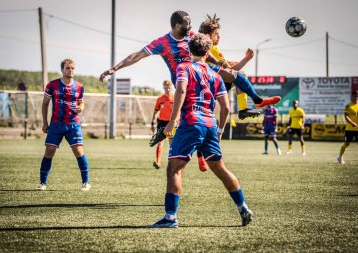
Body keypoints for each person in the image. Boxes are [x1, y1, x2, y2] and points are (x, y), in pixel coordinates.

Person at [99, 10, 280, 171]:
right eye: (187, 23)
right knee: (193, 120)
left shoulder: (192, 35)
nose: (191, 26)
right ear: (177, 25)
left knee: (237, 75)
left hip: (202, 73)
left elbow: (206, 52)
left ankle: (256, 100)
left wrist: (219, 63)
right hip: (185, 82)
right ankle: (174, 131)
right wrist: (114, 68)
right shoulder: (163, 42)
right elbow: (136, 55)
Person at [147, 33, 253, 228]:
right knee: (220, 168)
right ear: (207, 52)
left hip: (190, 123)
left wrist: (172, 121)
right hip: (210, 124)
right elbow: (226, 107)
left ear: (189, 50)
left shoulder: (184, 67)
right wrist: (219, 131)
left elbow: (181, 91)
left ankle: (170, 219)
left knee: (173, 169)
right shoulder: (216, 74)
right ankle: (243, 207)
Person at [37, 59, 91, 191]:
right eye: (67, 68)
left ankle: (86, 182)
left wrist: (81, 108)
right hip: (56, 124)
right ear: (62, 70)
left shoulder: (79, 86)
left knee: (78, 151)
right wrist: (45, 123)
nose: (70, 70)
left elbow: (81, 102)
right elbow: (45, 104)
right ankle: (42, 183)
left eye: (72, 68)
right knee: (49, 151)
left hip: (73, 124)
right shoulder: (52, 85)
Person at [198, 14, 260, 120]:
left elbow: (225, 67)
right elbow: (232, 72)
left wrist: (230, 63)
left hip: (205, 88)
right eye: (216, 34)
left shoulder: (203, 47)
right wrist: (247, 58)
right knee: (242, 74)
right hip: (211, 87)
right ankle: (243, 109)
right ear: (208, 36)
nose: (219, 36)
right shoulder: (212, 48)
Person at [151, 80, 174, 169]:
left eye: (169, 87)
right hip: (161, 123)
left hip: (171, 123)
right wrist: (153, 121)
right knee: (160, 143)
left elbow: (179, 111)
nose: (167, 89)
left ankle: (172, 163)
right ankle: (158, 162)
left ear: (171, 87)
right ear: (163, 87)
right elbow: (156, 111)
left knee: (172, 143)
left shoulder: (175, 98)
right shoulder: (160, 99)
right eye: (165, 87)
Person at [337, 90, 358, 164]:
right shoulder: (348, 106)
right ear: (352, 96)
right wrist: (353, 123)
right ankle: (340, 157)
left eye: (357, 95)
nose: (356, 97)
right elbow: (346, 117)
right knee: (347, 144)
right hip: (350, 129)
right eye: (355, 95)